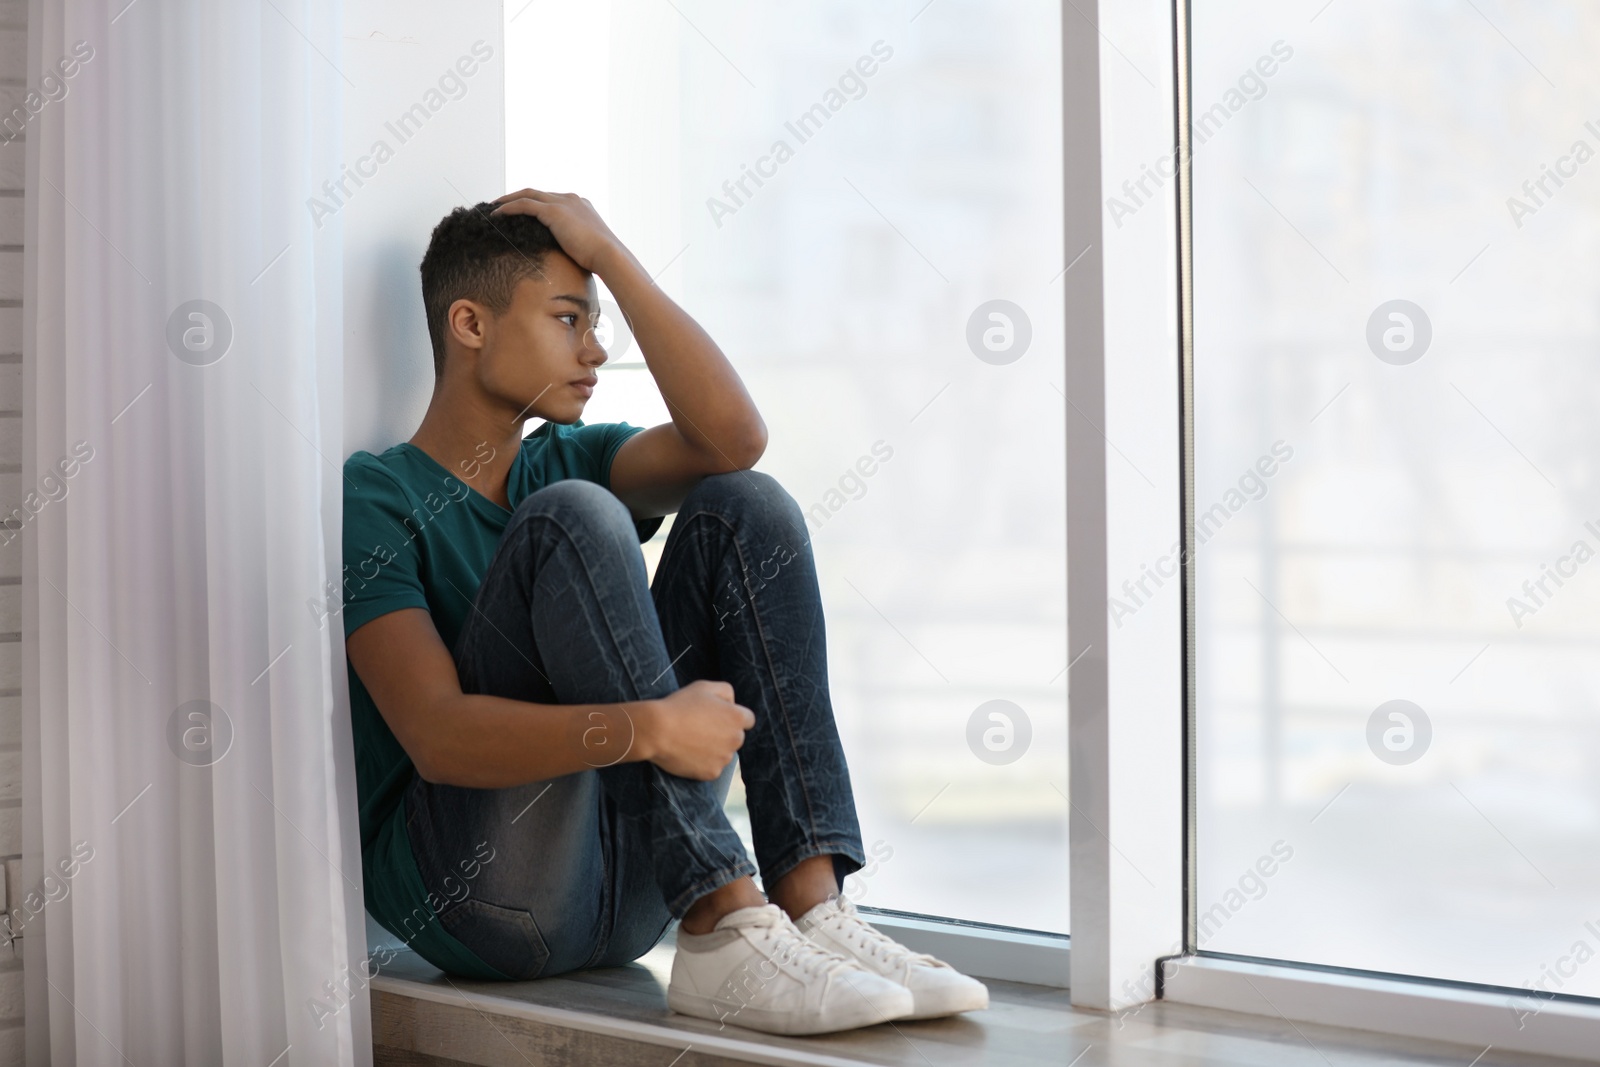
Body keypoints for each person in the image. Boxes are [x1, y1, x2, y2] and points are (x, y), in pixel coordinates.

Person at [340, 189, 988, 1036]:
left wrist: (607, 252)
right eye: (570, 319)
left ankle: (803, 907)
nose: (597, 348)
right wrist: (644, 728)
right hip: (479, 897)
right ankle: (723, 911)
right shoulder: (380, 493)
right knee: (574, 516)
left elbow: (734, 440)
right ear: (470, 324)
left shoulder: (571, 454)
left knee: (745, 504)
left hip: (625, 888)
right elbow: (436, 733)